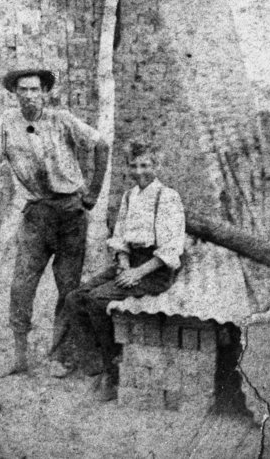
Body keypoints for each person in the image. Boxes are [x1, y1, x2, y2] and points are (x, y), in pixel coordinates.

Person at [0, 67, 110, 375]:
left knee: (68, 287)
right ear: (15, 93)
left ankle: (62, 356)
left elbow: (101, 145)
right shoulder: (6, 124)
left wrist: (93, 194)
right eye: (24, 90)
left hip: (70, 212)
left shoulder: (62, 120)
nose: (30, 95)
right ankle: (19, 355)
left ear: (45, 92)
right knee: (21, 284)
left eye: (35, 90)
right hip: (36, 215)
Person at [60, 140, 186, 400]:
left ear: (156, 165)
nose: (140, 171)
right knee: (74, 299)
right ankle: (95, 366)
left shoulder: (168, 197)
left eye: (146, 165)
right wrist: (125, 263)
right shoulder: (129, 196)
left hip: (156, 270)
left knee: (97, 300)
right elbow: (120, 238)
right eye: (134, 166)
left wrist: (137, 273)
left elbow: (171, 248)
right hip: (131, 263)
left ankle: (112, 368)